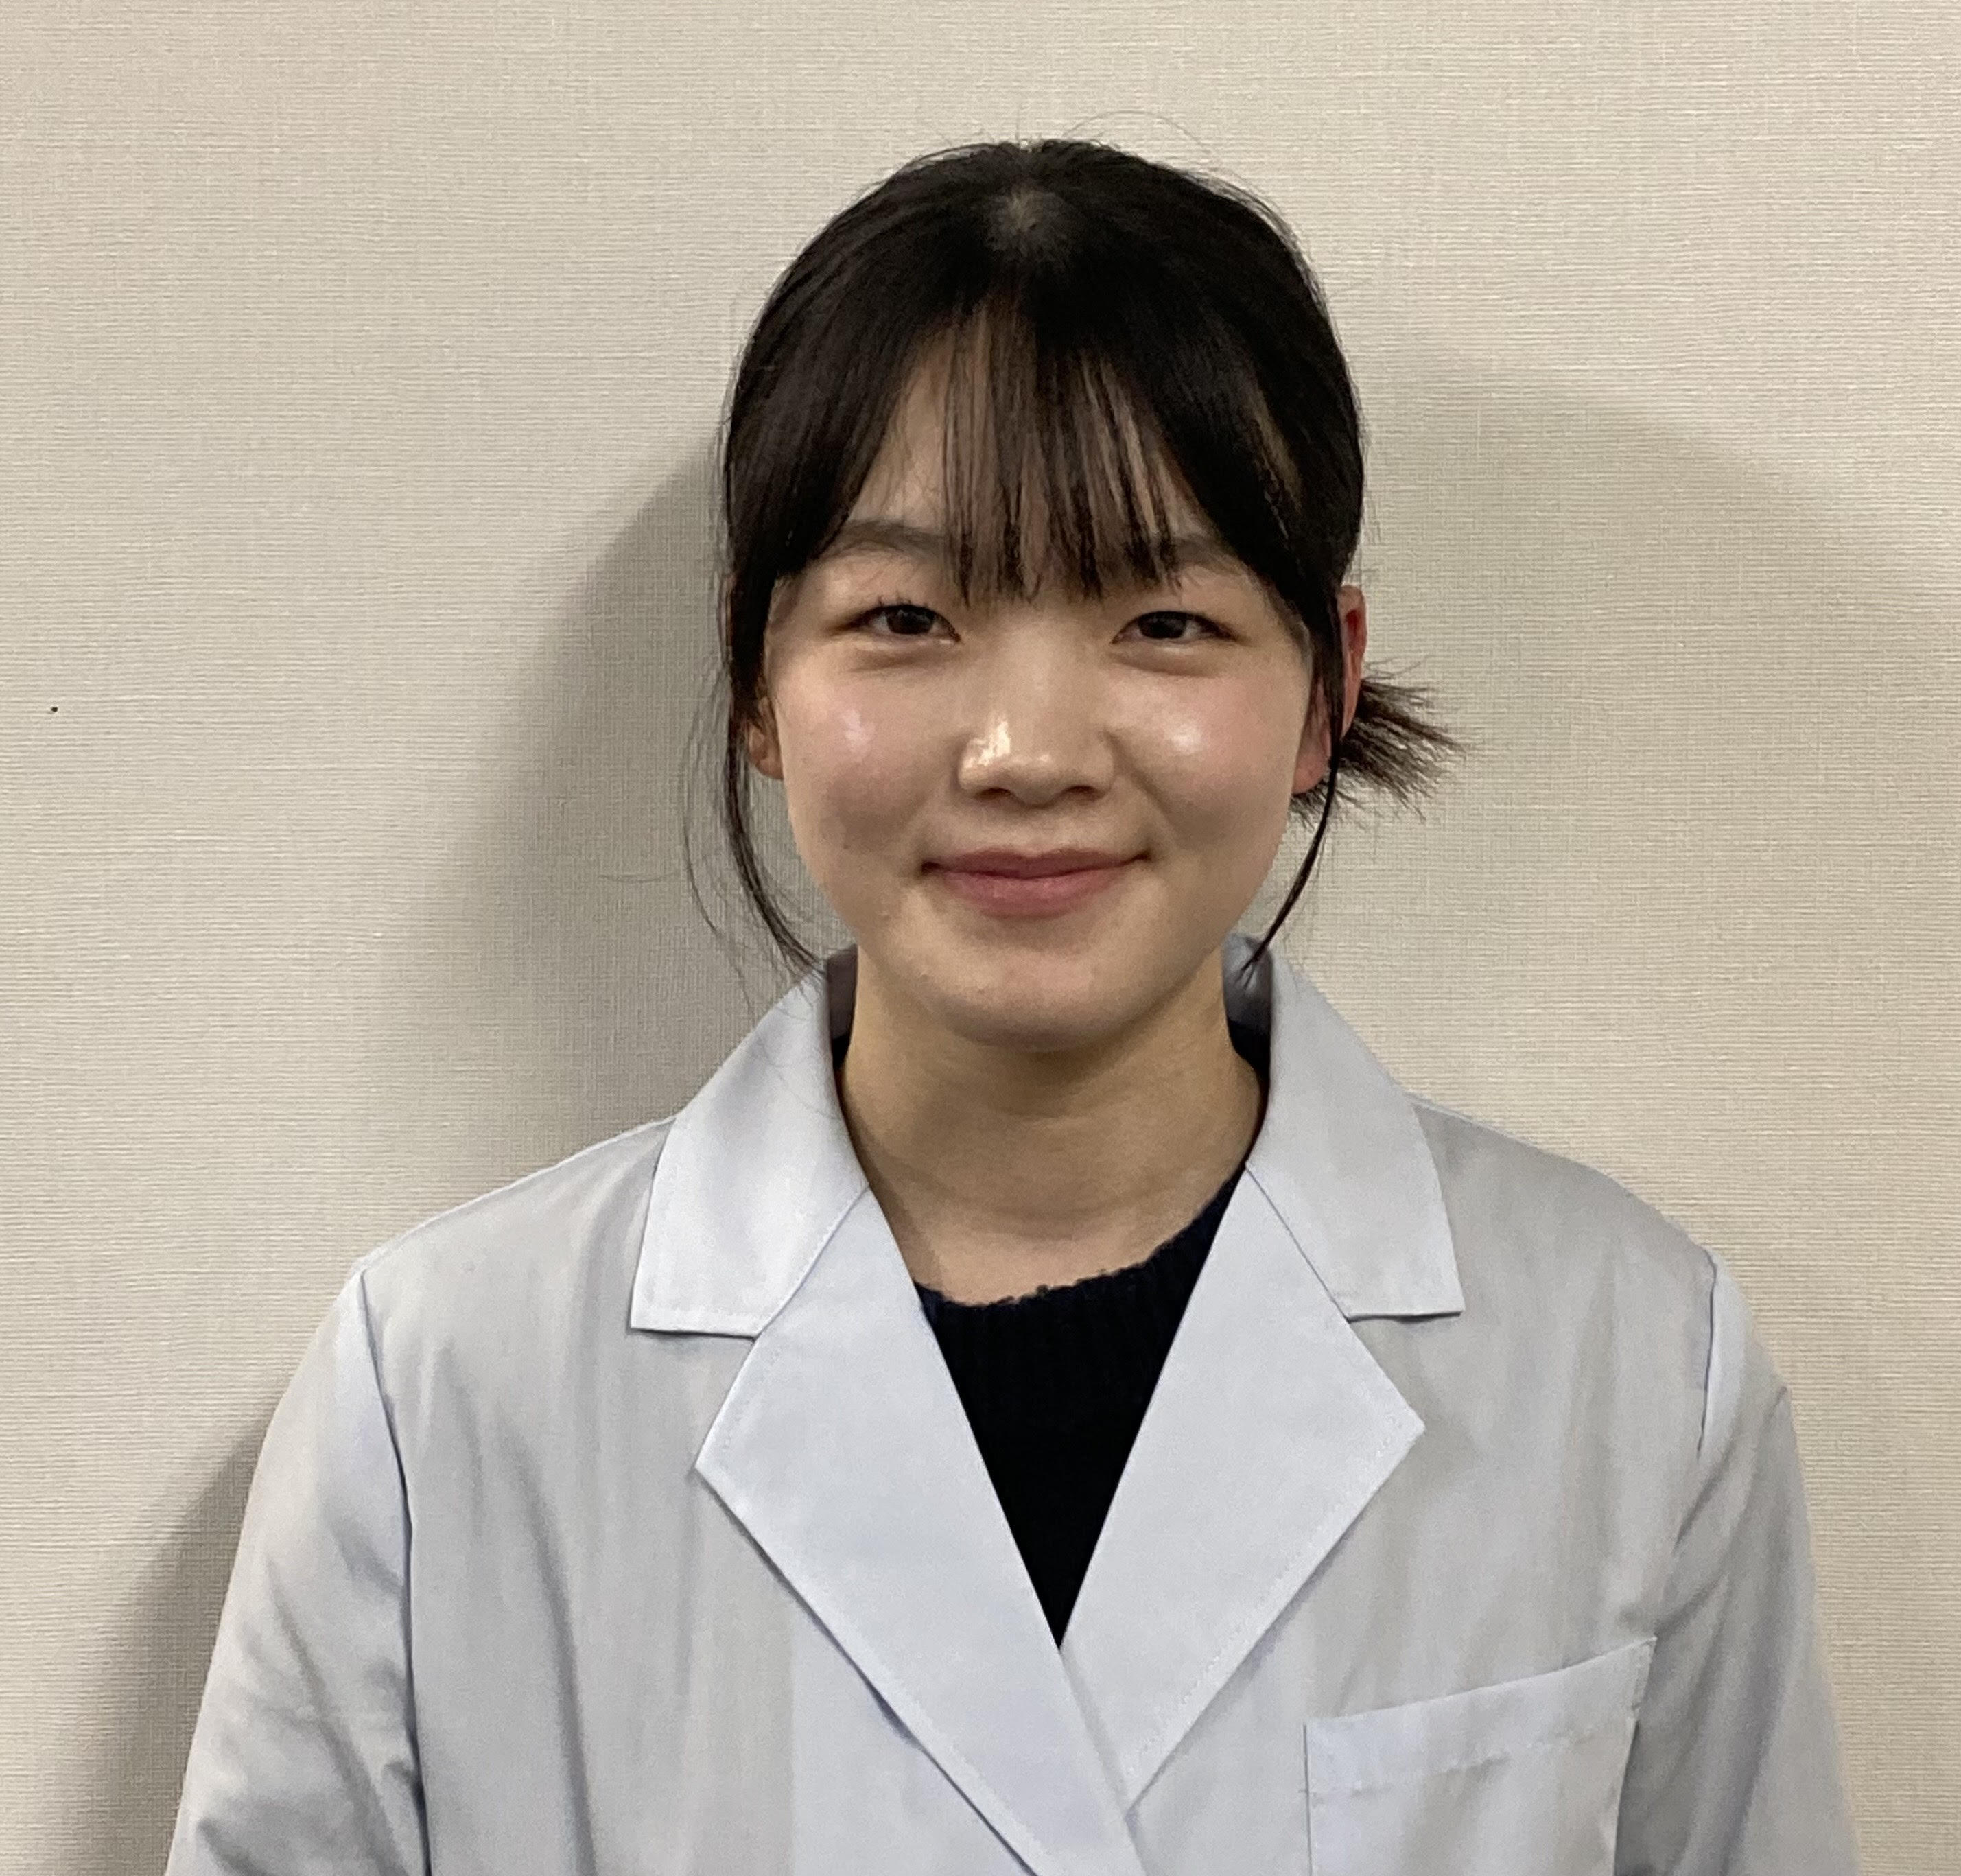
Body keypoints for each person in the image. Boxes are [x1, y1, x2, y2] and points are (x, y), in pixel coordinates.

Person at [165, 139, 1860, 1875]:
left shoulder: (1632, 1364)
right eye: (906, 616)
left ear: (1325, 689)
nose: (1030, 752)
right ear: (755, 676)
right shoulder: (439, 1393)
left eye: (1166, 620)